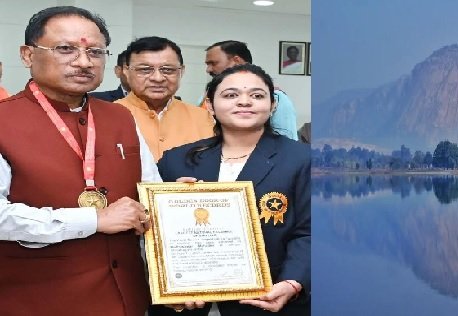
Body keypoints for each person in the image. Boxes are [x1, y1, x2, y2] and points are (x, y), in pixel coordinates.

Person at [0, 6, 160, 316]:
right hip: (36, 300)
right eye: (65, 49)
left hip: (127, 297)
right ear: (27, 55)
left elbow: (148, 189)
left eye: (96, 52)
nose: (84, 62)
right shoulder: (3, 120)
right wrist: (94, 220)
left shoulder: (121, 117)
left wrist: (173, 202)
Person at [156, 64, 310, 316]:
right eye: (230, 95)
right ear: (209, 105)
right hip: (187, 303)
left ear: (272, 105)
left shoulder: (303, 159)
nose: (245, 102)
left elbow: (311, 232)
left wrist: (292, 282)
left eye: (257, 95)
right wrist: (170, 207)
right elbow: (155, 234)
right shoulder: (176, 161)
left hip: (268, 299)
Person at [116, 36, 214, 161]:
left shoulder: (203, 118)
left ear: (181, 71)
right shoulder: (107, 117)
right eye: (145, 70)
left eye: (167, 70)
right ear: (126, 70)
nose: (158, 78)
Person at [204, 40, 299, 140]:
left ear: (237, 61)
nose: (208, 69)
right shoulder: (207, 96)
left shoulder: (277, 97)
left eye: (213, 63)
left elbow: (287, 142)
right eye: (230, 95)